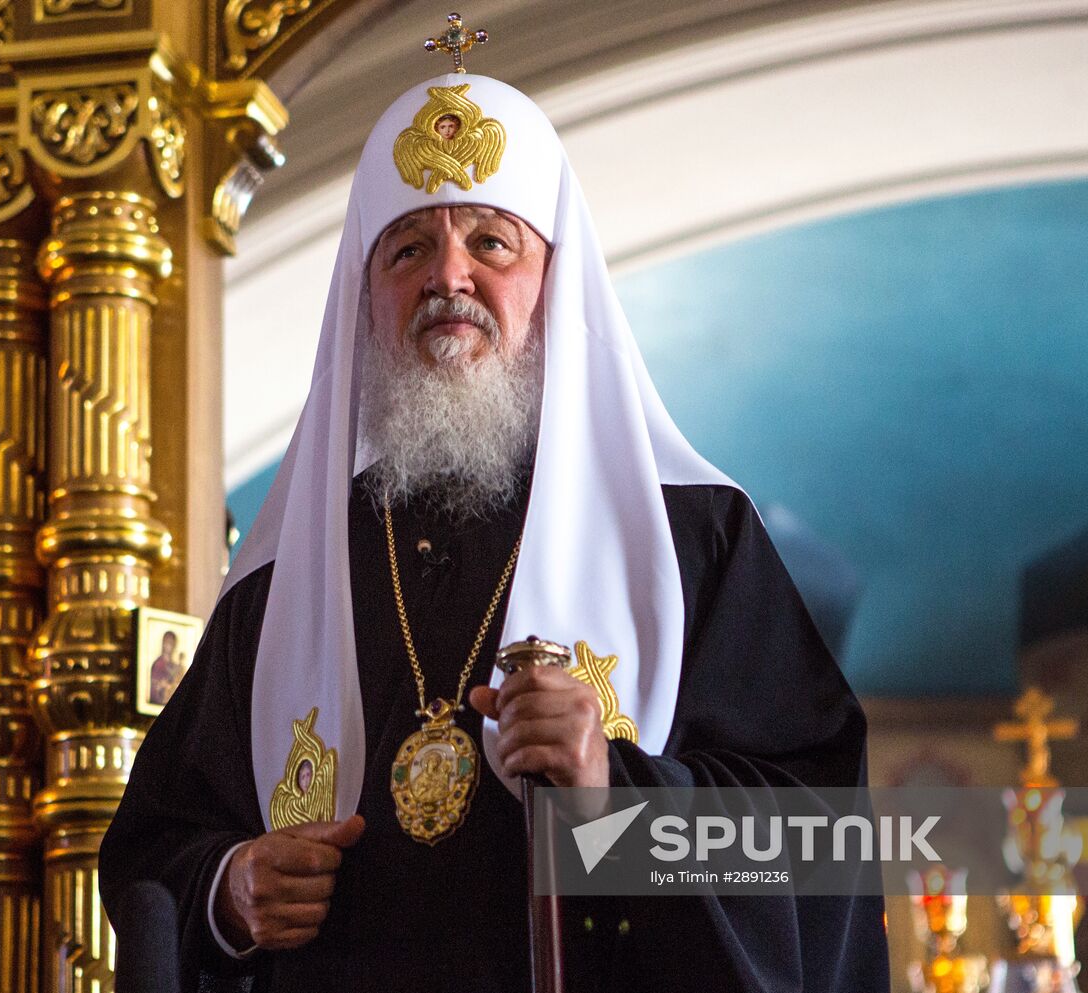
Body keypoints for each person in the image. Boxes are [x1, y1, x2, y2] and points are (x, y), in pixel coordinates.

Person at [100, 62, 889, 993]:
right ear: (363, 307)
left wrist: (613, 788)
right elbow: (153, 843)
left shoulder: (693, 540)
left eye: (491, 241)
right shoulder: (283, 579)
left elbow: (818, 840)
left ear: (556, 287)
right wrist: (230, 894)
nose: (448, 275)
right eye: (405, 251)